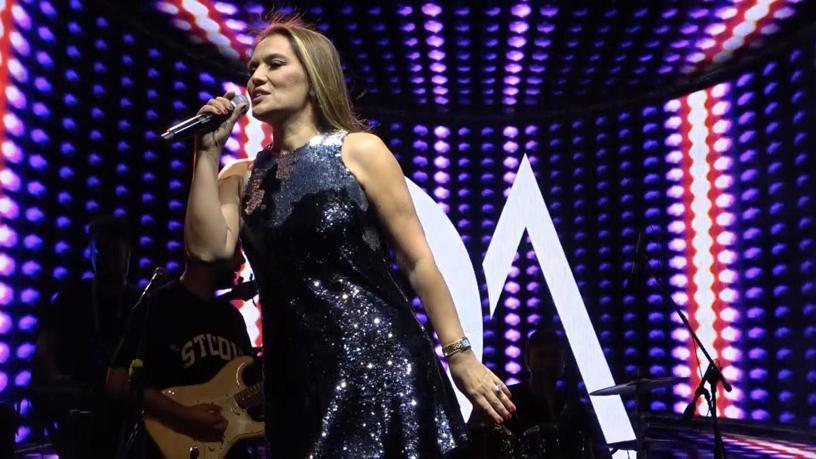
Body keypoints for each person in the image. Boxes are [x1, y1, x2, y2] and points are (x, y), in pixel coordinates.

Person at [183, 13, 515, 457]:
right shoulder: (241, 176)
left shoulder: (358, 150)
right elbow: (208, 250)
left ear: (313, 77)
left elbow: (417, 261)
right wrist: (206, 154)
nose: (257, 77)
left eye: (274, 64)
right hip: (294, 383)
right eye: (252, 68)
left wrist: (460, 355)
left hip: (379, 364)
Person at [106, 247, 257, 458]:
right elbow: (118, 381)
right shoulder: (157, 305)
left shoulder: (233, 319)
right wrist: (185, 416)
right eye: (234, 250)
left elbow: (252, 386)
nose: (240, 259)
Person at [31, 214, 140, 458]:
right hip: (80, 412)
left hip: (126, 411)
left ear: (127, 253)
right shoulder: (72, 297)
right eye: (99, 252)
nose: (105, 259)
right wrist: (57, 382)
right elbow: (44, 348)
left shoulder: (140, 302)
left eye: (113, 252)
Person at [504, 328, 606, 459]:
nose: (548, 363)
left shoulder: (574, 407)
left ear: (563, 362)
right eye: (541, 356)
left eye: (555, 356)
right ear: (527, 361)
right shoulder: (508, 399)